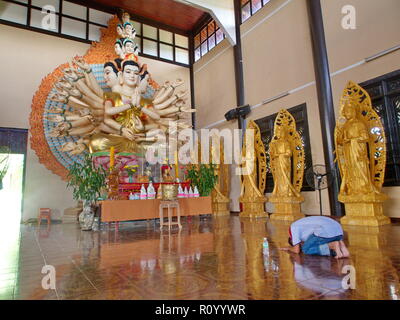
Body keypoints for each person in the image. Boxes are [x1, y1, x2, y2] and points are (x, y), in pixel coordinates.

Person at [280, 216, 350, 259]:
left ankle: (332, 245)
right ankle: (343, 249)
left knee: (306, 249)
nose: (300, 244)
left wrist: (289, 248)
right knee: (317, 243)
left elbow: (296, 250)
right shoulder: (303, 227)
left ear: (292, 239)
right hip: (339, 231)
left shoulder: (293, 227)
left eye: (298, 243)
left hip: (325, 230)